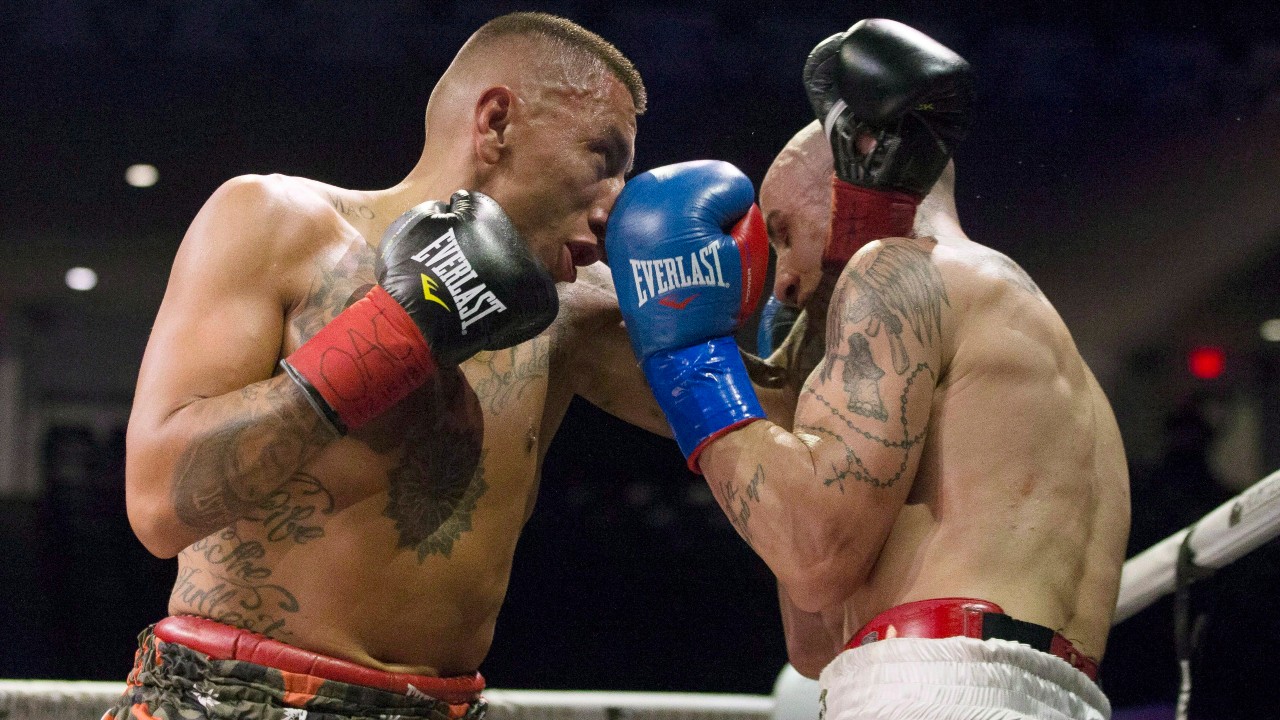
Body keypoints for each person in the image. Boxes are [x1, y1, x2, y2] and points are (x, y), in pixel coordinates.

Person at [114, 12, 669, 720]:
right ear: (496, 122)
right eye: (602, 159)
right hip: (229, 696)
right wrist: (386, 337)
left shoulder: (576, 314)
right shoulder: (278, 224)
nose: (616, 206)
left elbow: (786, 429)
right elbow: (158, 506)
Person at [608, 19, 1130, 720]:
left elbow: (814, 552)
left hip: (932, 689)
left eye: (784, 230)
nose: (782, 282)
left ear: (859, 158)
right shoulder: (1036, 349)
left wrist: (689, 357)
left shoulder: (897, 271)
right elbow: (818, 640)